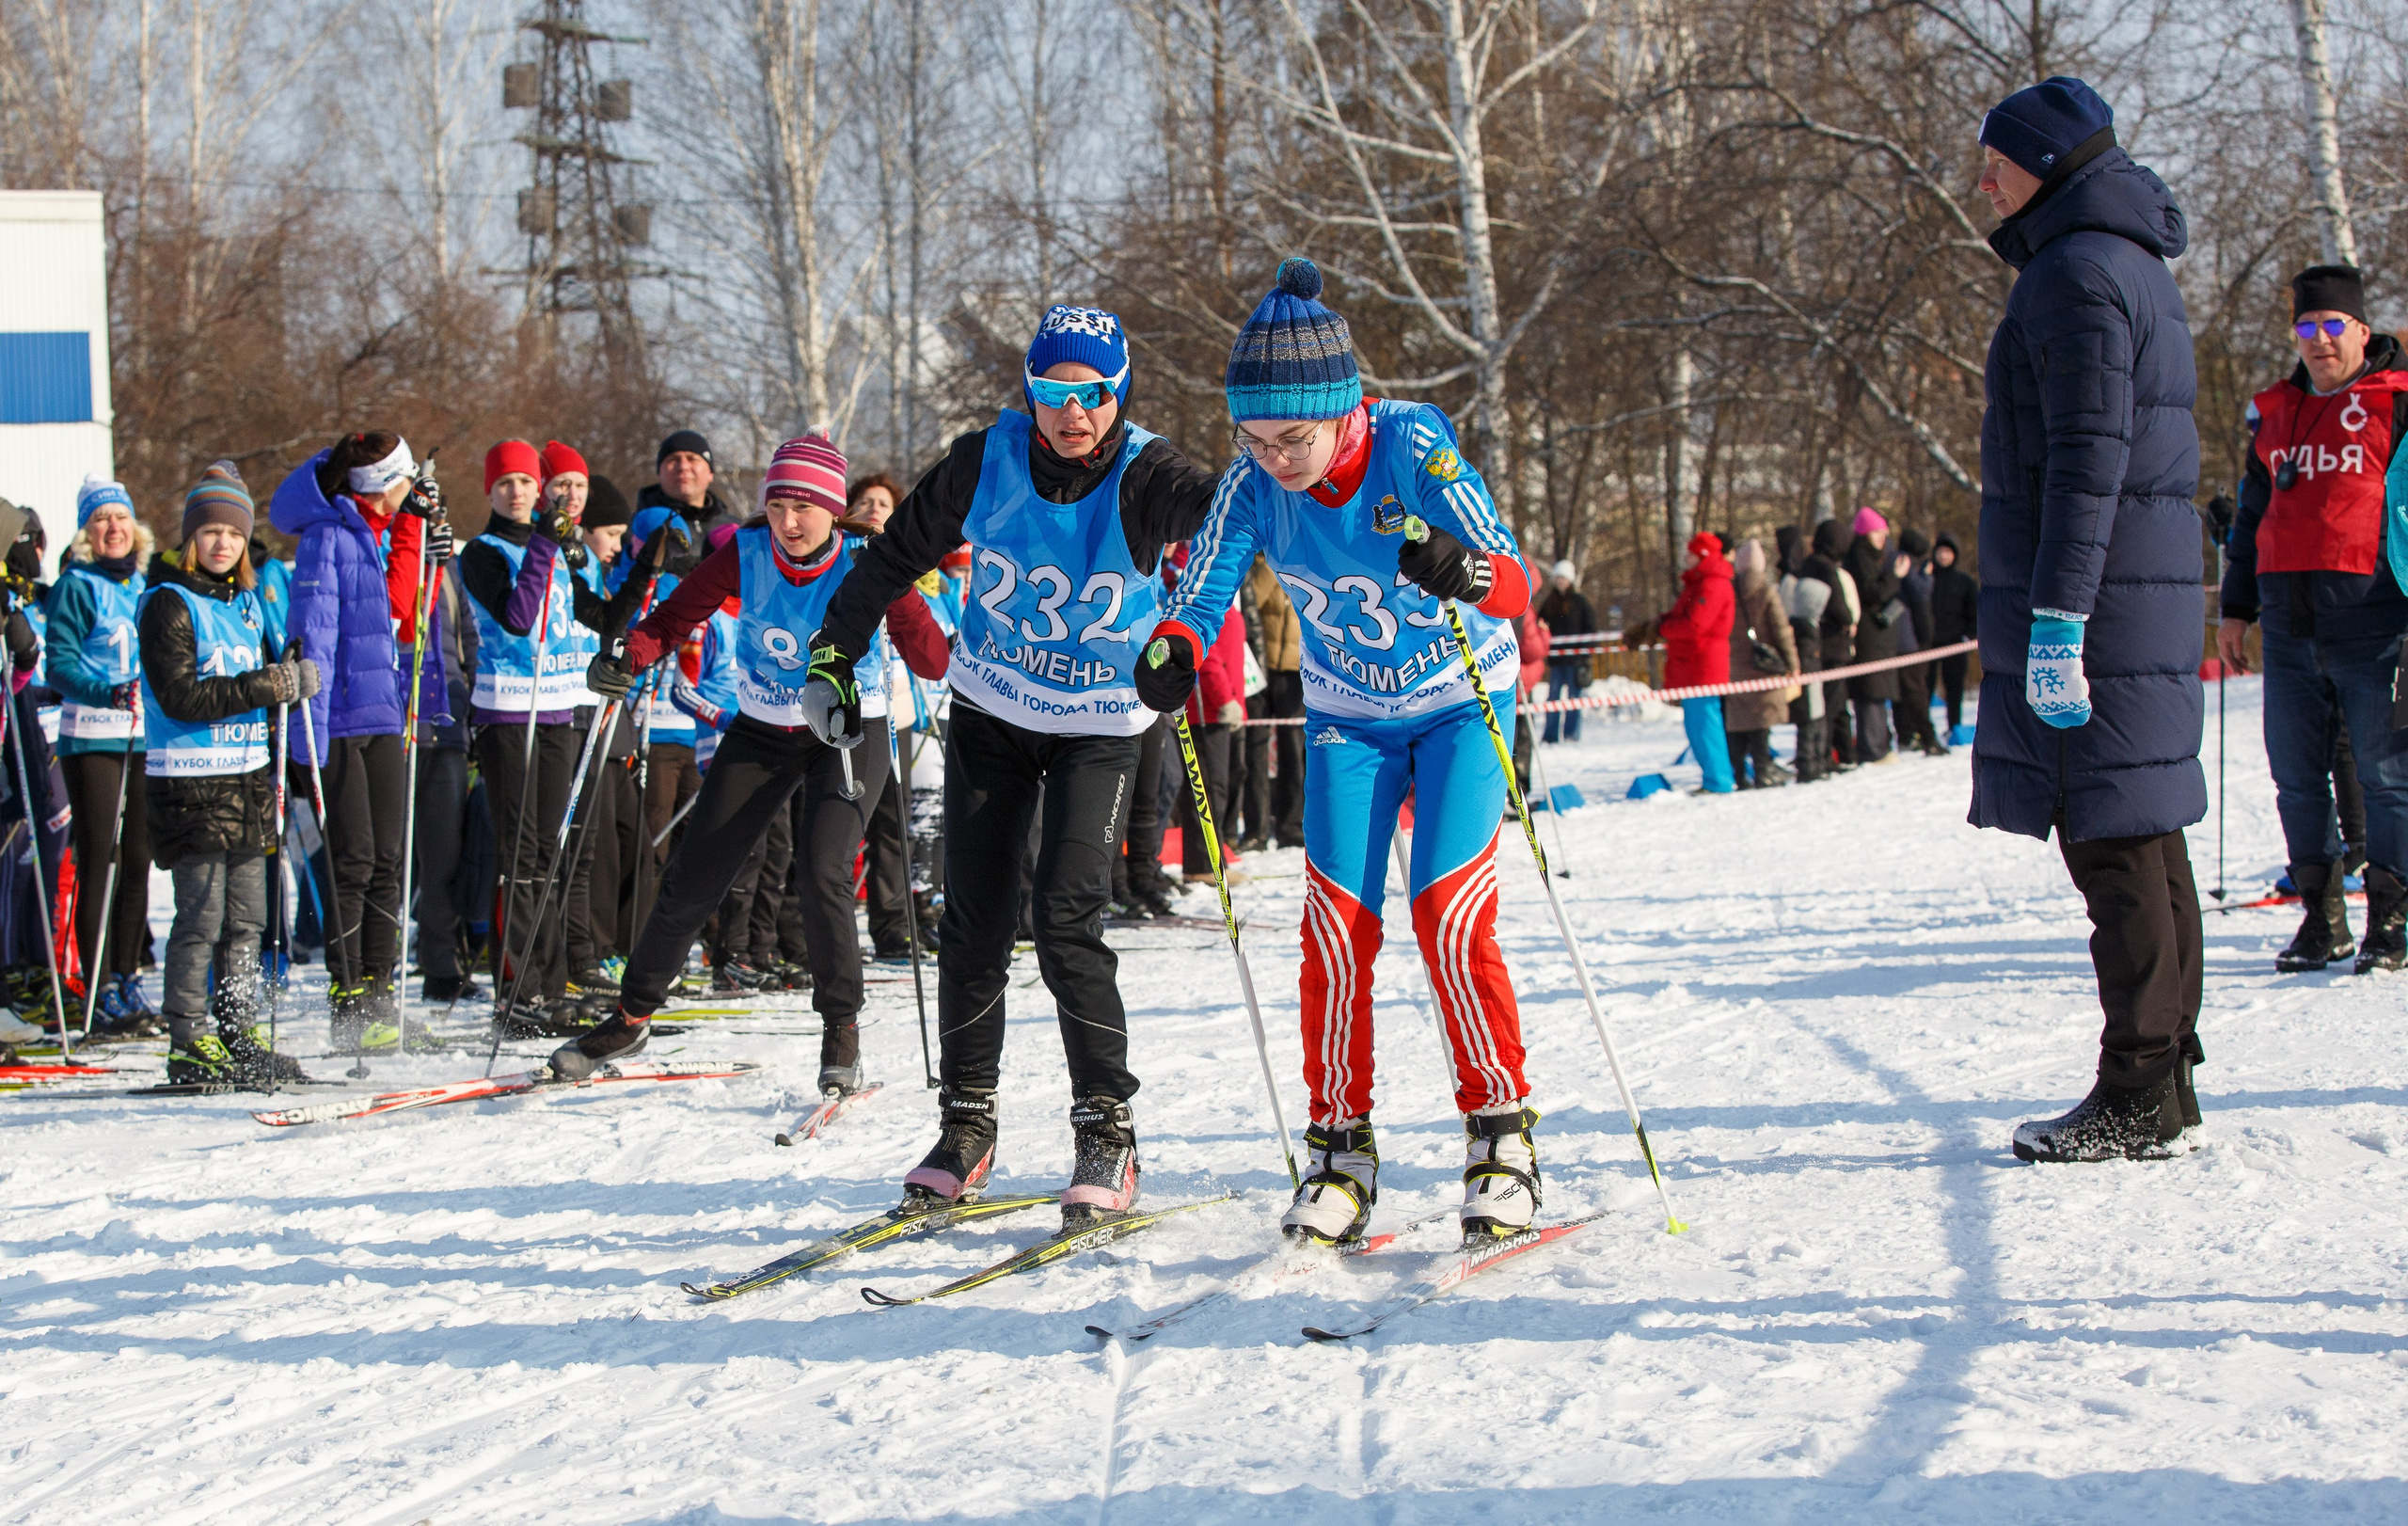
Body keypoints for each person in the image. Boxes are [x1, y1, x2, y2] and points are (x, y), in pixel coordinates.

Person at [798, 302, 1223, 1230]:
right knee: (974, 920)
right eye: (1053, 394)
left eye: (1096, 394)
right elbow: (891, 555)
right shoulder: (981, 458)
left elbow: (1230, 523)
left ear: (1121, 394)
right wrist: (834, 649)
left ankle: (1107, 1125)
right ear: (1028, 392)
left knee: (1066, 913)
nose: (1075, 413)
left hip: (1103, 723)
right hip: (993, 706)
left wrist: (1189, 632)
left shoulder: (1150, 471)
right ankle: (965, 1123)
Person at [1146, 255, 1544, 1245]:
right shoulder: (1252, 484)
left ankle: (1500, 1134)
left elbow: (1515, 585)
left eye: (1295, 437)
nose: (1275, 457)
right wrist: (1176, 646)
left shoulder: (1413, 443)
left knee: (1447, 915)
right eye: (1253, 437)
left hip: (1458, 701)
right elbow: (1205, 593)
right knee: (1332, 926)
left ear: (1344, 407)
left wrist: (1465, 567)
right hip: (1347, 717)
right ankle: (1339, 1147)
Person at [1966, 76, 2206, 1164]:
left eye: (1998, 162)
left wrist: (2058, 618)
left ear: (2052, 166)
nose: (1983, 180)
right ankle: (2167, 1079)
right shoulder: (2128, 264)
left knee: (2113, 846)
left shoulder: (2072, 277)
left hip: (2102, 603)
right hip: (2137, 595)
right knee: (2146, 835)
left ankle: (2135, 1092)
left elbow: (2084, 465)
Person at [574, 432, 949, 1096]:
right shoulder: (744, 552)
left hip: (846, 731)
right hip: (764, 728)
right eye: (778, 505)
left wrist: (902, 585)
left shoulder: (867, 557)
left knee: (824, 870)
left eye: (805, 507)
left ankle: (841, 1028)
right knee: (695, 877)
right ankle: (632, 1015)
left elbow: (931, 661)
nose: (790, 522)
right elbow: (670, 622)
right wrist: (624, 657)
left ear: (835, 510)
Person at [2216, 262, 2408, 976]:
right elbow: (2252, 516)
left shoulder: (2399, 401)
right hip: (2289, 626)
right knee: (2295, 777)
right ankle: (2321, 919)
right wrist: (2234, 611)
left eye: (2333, 327)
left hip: (2377, 621)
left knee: (2388, 779)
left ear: (2361, 330)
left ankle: (2391, 918)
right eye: (2307, 327)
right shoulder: (2273, 413)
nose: (2320, 341)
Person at [270, 431, 449, 1051]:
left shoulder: (376, 533)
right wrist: (307, 739)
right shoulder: (327, 537)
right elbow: (312, 637)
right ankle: (349, 1001)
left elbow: (402, 611)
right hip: (342, 721)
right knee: (356, 860)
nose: (409, 494)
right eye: (402, 484)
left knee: (391, 862)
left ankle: (380, 996)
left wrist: (422, 543)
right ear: (375, 486)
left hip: (384, 717)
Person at [140, 464, 316, 1084]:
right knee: (201, 919)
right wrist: (265, 685)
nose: (223, 544)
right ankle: (189, 1039)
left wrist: (289, 680)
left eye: (234, 535)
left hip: (245, 778)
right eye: (211, 532)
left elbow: (266, 678)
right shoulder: (169, 601)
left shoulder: (243, 603)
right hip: (189, 780)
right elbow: (181, 696)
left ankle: (237, 1033)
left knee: (248, 921)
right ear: (191, 537)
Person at [48, 477, 155, 1030]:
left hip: (141, 737)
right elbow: (58, 665)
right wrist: (107, 691)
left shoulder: (144, 582)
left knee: (138, 861)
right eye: (100, 521)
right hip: (92, 735)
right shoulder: (77, 585)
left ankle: (130, 975)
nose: (112, 529)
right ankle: (99, 983)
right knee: (102, 860)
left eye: (119, 518)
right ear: (87, 532)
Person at [1657, 531, 1737, 793]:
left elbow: (1695, 624)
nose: (1686, 558)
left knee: (1705, 725)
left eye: (1691, 553)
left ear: (1701, 555)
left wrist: (1663, 628)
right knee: (1697, 725)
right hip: (1694, 664)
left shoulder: (1713, 584)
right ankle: (1714, 778)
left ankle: (1719, 780)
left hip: (1704, 665)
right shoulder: (1700, 583)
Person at [1723, 538, 1799, 787]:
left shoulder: (1729, 592)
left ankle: (1738, 774)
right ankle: (1762, 770)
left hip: (1735, 668)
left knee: (1738, 725)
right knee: (1761, 724)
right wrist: (1792, 664)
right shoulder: (1767, 591)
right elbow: (1781, 631)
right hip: (1764, 669)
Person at [1249, 554, 1306, 846]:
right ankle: (1256, 828)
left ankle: (1291, 825)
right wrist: (1269, 568)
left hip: (1295, 670)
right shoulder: (1258, 567)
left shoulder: (1301, 560)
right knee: (1255, 750)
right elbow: (1253, 602)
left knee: (1294, 751)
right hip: (1260, 667)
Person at [1841, 508, 1905, 765]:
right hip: (1869, 639)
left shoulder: (1869, 557)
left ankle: (1878, 743)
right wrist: (1894, 577)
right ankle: (1873, 747)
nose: (1883, 538)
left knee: (1876, 691)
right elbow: (1872, 593)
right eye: (1878, 532)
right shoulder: (1860, 558)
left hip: (1876, 639)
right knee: (1870, 691)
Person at [1775, 524, 1832, 783]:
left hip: (1806, 652)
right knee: (1808, 713)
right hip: (1802, 654)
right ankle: (1809, 764)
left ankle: (1815, 760)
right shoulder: (1790, 583)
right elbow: (1788, 617)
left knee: (1814, 712)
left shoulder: (1797, 580)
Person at [1891, 528, 1947, 755]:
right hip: (1907, 638)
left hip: (1911, 637)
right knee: (1915, 690)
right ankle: (1926, 737)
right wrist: (1925, 575)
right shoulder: (1903, 562)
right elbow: (1920, 591)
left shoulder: (1904, 561)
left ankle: (1907, 735)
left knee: (1909, 689)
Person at [638, 430, 743, 543]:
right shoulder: (635, 530)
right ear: (659, 472)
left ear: (710, 473)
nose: (683, 466)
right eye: (673, 459)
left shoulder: (737, 531)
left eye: (692, 459)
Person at [1537, 561, 1593, 743]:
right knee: (1553, 697)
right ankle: (1550, 735)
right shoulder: (1550, 602)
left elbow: (1590, 629)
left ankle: (1571, 734)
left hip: (1575, 660)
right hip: (1556, 659)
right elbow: (1539, 622)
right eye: (1558, 578)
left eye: (1563, 578)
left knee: (1573, 698)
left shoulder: (1580, 602)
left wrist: (1585, 654)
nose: (1560, 582)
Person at [1929, 532, 1978, 734]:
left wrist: (1969, 636)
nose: (1944, 556)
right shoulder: (1927, 578)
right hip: (1929, 644)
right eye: (1941, 551)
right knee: (1924, 688)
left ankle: (1954, 726)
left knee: (1954, 688)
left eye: (1948, 552)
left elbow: (1974, 612)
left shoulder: (1964, 581)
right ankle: (1924, 729)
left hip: (1956, 642)